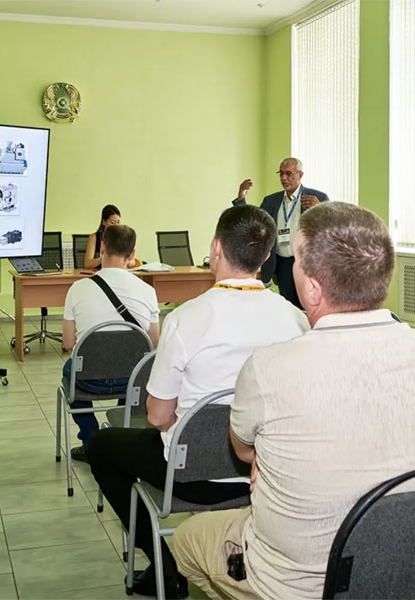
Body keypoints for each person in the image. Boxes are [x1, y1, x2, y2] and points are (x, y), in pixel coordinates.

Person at [173, 202, 415, 600]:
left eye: (295, 260)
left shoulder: (270, 366)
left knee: (187, 539)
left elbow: (243, 451)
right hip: (409, 572)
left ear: (311, 288)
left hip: (297, 586)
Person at [88, 204, 310, 599]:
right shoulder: (295, 319)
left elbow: (158, 416)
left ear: (216, 249)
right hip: (265, 472)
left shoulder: (186, 318)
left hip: (193, 478)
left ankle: (164, 566)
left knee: (103, 447)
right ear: (266, 256)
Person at [63, 224, 160, 462]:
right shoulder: (147, 291)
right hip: (131, 380)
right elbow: (153, 345)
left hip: (88, 380)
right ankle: (120, 437)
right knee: (138, 369)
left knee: (69, 372)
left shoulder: (77, 289)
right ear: (132, 254)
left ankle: (92, 441)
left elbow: (67, 342)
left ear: (102, 248)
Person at [232, 157, 328, 308]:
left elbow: (332, 228)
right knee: (288, 308)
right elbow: (253, 224)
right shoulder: (271, 201)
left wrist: (320, 208)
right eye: (281, 173)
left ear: (300, 175)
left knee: (310, 307)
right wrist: (241, 197)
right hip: (282, 264)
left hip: (308, 264)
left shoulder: (317, 198)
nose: (284, 178)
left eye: (289, 173)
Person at [84, 204, 139, 269]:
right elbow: (87, 264)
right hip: (98, 272)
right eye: (112, 222)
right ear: (103, 222)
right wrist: (106, 257)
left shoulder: (121, 237)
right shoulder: (94, 237)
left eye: (118, 222)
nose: (116, 226)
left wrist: (128, 261)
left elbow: (132, 261)